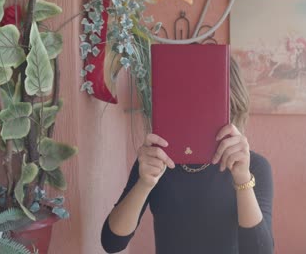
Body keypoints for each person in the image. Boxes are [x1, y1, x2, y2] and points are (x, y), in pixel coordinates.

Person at [101, 59, 274, 254]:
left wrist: (242, 179)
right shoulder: (158, 159)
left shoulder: (255, 167)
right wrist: (144, 183)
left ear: (232, 107)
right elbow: (112, 242)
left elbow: (259, 251)